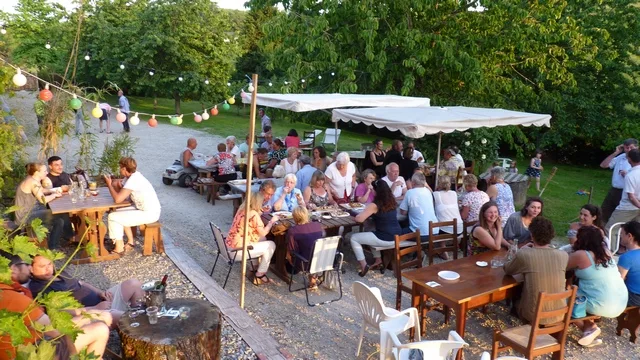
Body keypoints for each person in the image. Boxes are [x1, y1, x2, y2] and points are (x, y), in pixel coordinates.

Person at [0, 253, 109, 360]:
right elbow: (56, 331)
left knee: (98, 319)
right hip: (31, 351)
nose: (29, 268)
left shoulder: (8, 291)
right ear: (13, 269)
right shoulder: (14, 298)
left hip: (27, 345)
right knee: (100, 328)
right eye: (25, 264)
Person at [568, 226, 627, 346]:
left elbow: (562, 266)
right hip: (621, 300)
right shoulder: (606, 252)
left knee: (566, 298)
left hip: (603, 304)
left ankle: (588, 328)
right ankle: (589, 330)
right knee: (581, 293)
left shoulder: (581, 255)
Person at [504, 217, 569, 325]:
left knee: (517, 294)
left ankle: (523, 325)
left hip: (533, 314)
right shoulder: (563, 255)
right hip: (559, 313)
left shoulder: (525, 254)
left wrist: (520, 251)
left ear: (532, 235)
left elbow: (508, 269)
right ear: (552, 235)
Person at [29, 255, 142, 316]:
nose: (48, 268)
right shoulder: (39, 288)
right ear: (31, 269)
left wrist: (100, 293)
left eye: (49, 264)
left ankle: (138, 310)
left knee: (133, 283)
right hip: (91, 314)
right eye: (42, 266)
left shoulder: (59, 272)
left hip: (103, 302)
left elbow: (81, 283)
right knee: (127, 318)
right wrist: (94, 309)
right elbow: (59, 312)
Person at [105, 157, 161, 254]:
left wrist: (109, 185)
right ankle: (130, 242)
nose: (119, 169)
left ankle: (119, 247)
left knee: (113, 217)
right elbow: (122, 194)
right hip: (143, 208)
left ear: (124, 169)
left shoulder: (134, 180)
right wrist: (117, 186)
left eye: (120, 167)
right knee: (116, 212)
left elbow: (118, 199)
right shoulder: (131, 177)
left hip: (150, 212)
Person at [349, 180, 403, 276]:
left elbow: (360, 219)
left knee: (354, 238)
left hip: (385, 237)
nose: (372, 191)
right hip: (397, 235)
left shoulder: (375, 205)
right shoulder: (392, 201)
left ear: (377, 191)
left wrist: (352, 215)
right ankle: (378, 260)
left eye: (373, 189)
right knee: (370, 230)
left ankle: (364, 265)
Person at [14, 163, 72, 249]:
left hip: (31, 211)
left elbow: (42, 190)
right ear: (37, 172)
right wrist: (55, 195)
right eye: (44, 171)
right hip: (26, 216)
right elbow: (43, 200)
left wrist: (57, 189)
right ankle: (65, 240)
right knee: (61, 216)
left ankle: (59, 242)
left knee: (59, 219)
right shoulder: (32, 182)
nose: (46, 172)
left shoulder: (32, 179)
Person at [226, 192, 278, 283]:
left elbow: (252, 221)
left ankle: (254, 267)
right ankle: (260, 274)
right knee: (271, 244)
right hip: (237, 251)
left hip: (229, 246)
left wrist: (261, 211)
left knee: (262, 240)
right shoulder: (253, 214)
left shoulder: (242, 209)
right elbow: (263, 232)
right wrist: (271, 222)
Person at [600, 139, 638, 223]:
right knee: (603, 213)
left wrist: (627, 174)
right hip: (614, 190)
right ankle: (602, 233)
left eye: (631, 147)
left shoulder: (637, 160)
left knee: (622, 217)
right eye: (626, 148)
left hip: (627, 192)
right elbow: (603, 165)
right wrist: (615, 153)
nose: (628, 150)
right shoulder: (621, 157)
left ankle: (621, 234)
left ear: (636, 147)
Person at [286, 207, 324, 288]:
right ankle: (313, 278)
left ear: (294, 217)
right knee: (311, 249)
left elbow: (292, 250)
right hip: (322, 260)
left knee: (290, 255)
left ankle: (312, 279)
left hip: (305, 263)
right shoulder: (317, 225)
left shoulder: (293, 230)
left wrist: (287, 256)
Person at [605, 148, 640, 233]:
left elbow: (631, 197)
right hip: (637, 207)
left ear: (629, 159)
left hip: (627, 207)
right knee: (635, 231)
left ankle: (612, 247)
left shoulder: (630, 175)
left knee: (611, 229)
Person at [399, 173, 439, 243]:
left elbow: (403, 212)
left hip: (420, 234)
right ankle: (418, 252)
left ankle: (410, 252)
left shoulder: (409, 193)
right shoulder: (428, 191)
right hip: (434, 231)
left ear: (413, 183)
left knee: (398, 232)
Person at [618, 221, 640, 306]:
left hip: (635, 297)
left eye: (622, 234)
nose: (620, 236)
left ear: (629, 236)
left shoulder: (626, 257)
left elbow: (619, 281)